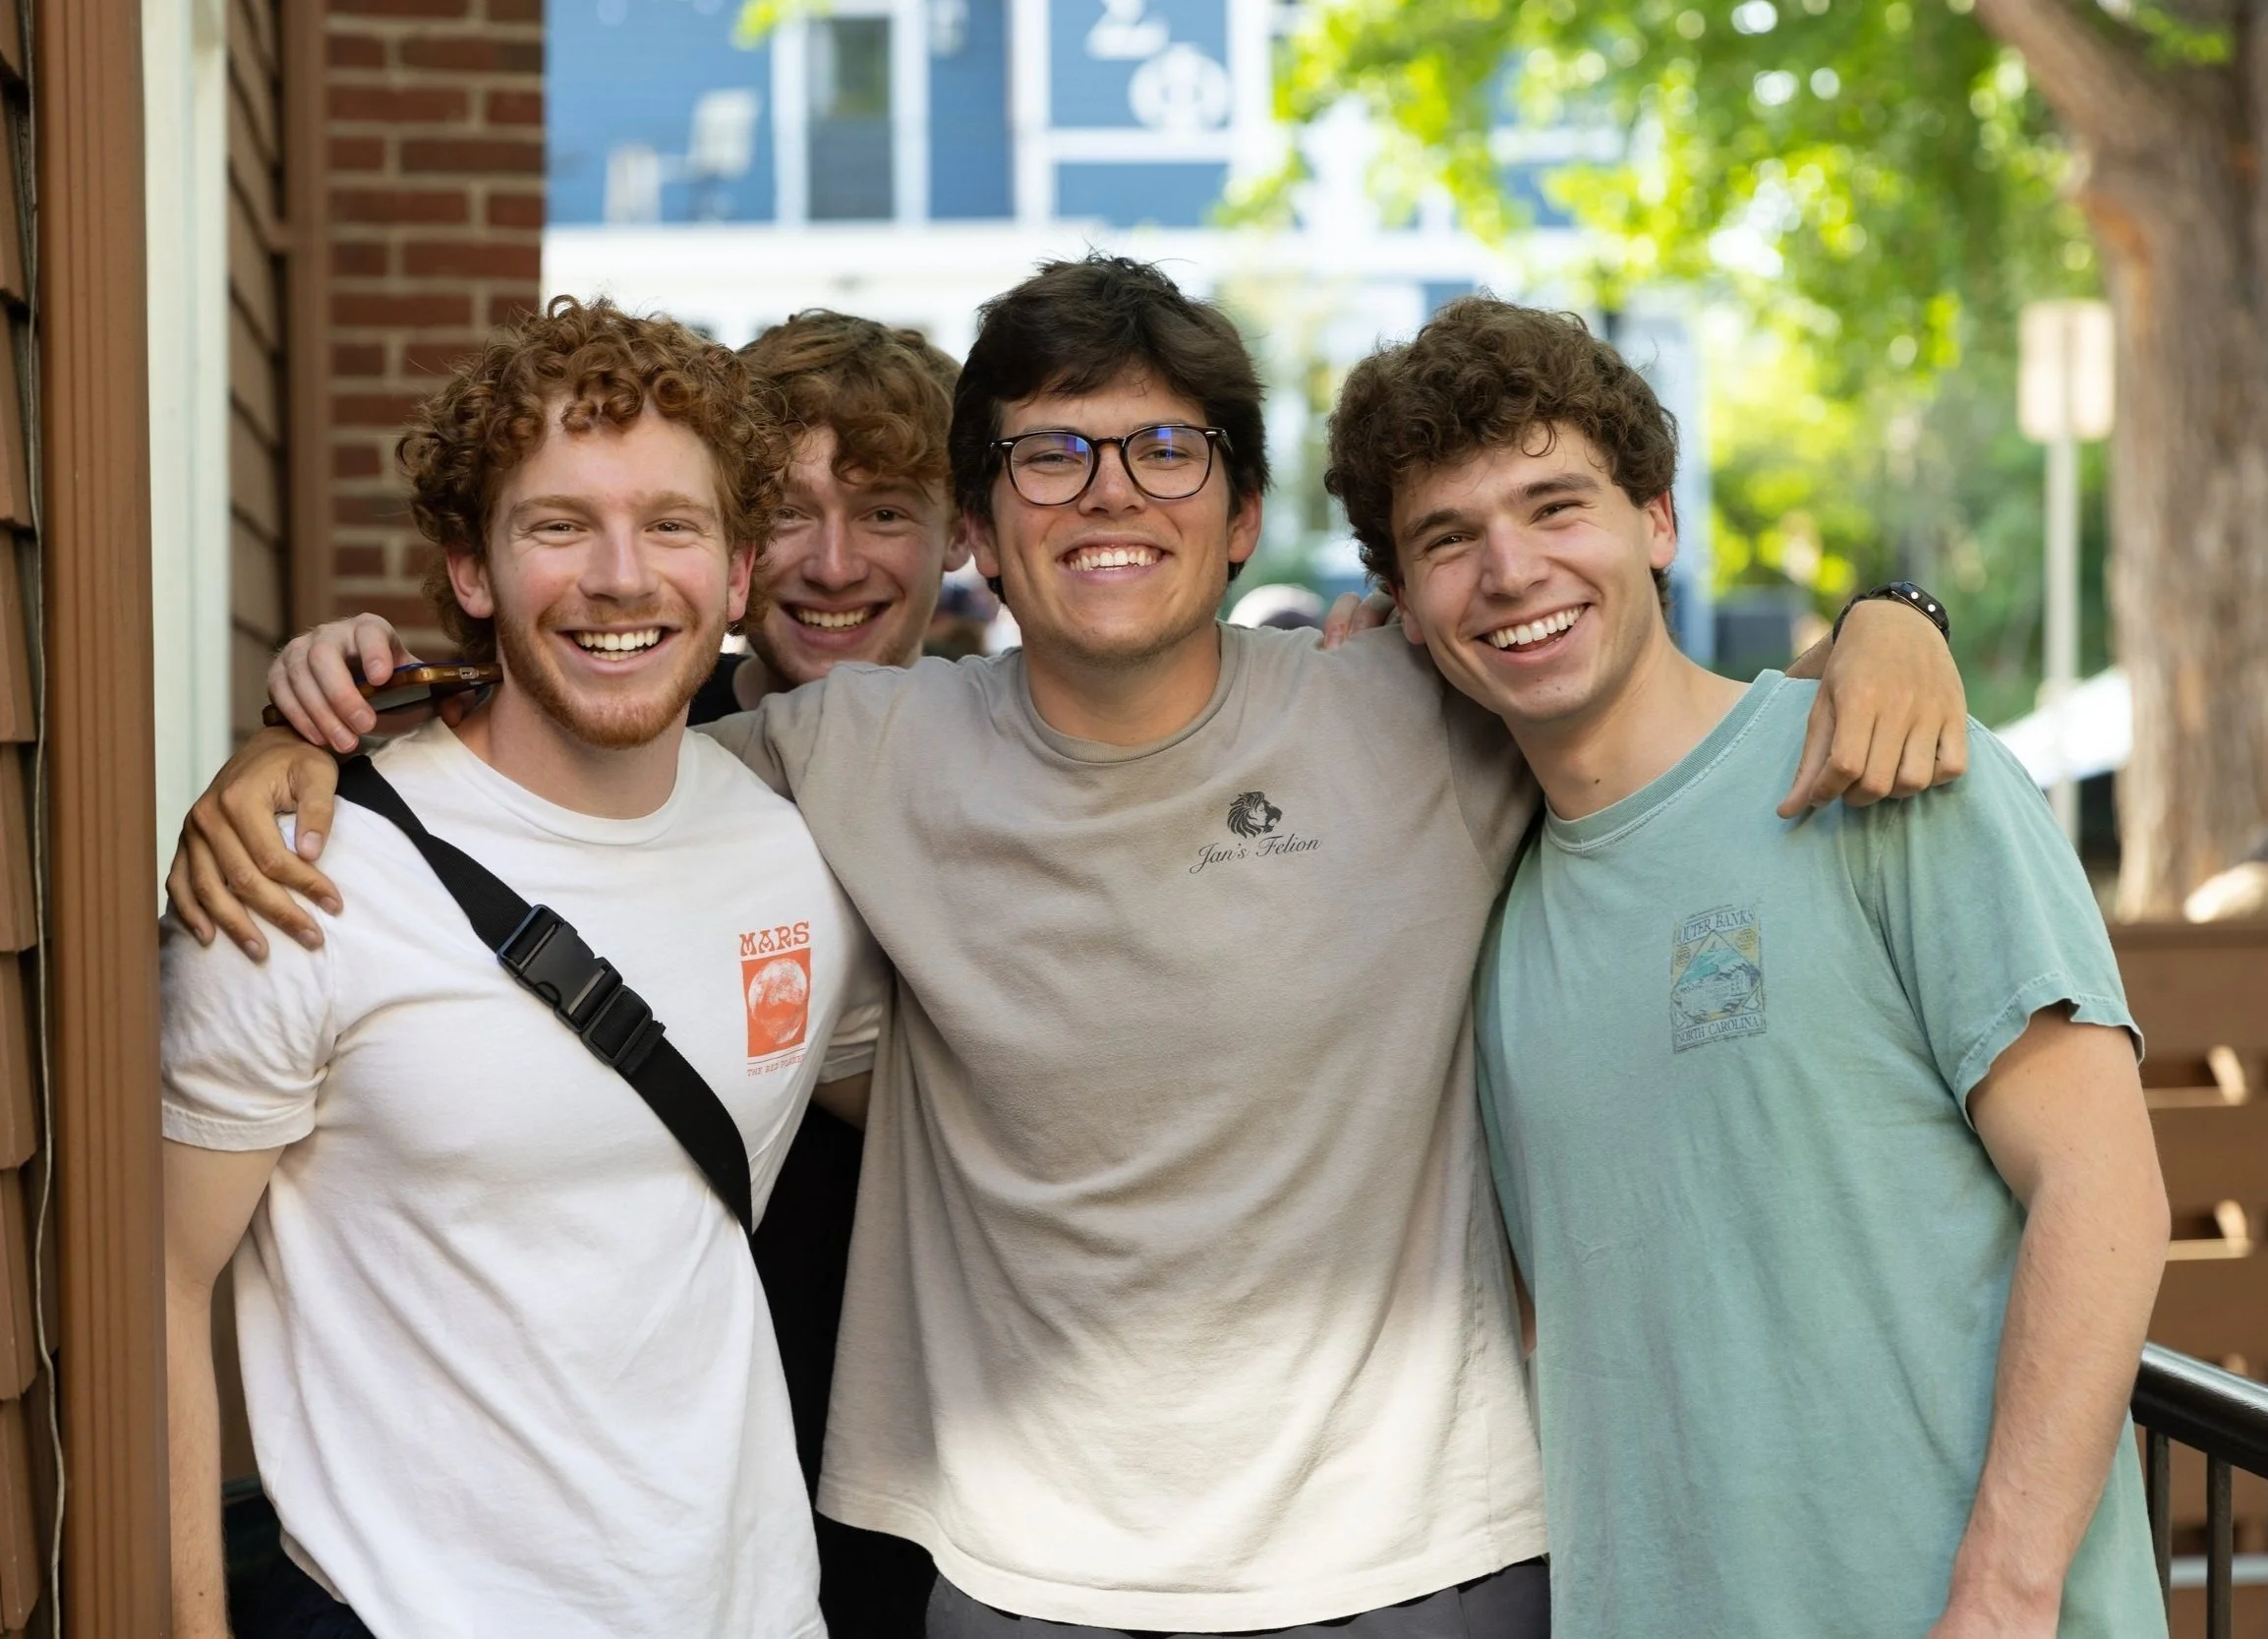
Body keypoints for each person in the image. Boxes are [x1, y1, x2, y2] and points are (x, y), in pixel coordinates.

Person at [170, 258, 1968, 1638]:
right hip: (1024, 1570)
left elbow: (1643, 703)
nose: (1109, 489)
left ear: (1242, 514)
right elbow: (567, 749)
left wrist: (1892, 619)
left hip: (1423, 1555)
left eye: (1165, 445)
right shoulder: (843, 755)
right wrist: (317, 739)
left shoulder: (1411, 713)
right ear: (985, 531)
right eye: (1048, 451)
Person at [1327, 296, 2169, 1638]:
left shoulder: (1887, 767)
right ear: (1406, 607)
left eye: (1555, 507)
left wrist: (2002, 1600)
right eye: (1448, 538)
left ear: (1655, 521)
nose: (1509, 570)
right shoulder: (1488, 914)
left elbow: (2100, 1185)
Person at [162, 298, 886, 1638]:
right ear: (471, 569)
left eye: (672, 523)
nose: (622, 576)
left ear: (736, 574)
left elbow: (942, 1108)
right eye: (560, 524)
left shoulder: (794, 852)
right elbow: (151, 1286)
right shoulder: (308, 874)